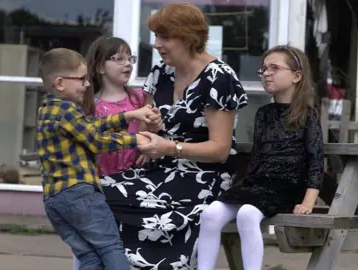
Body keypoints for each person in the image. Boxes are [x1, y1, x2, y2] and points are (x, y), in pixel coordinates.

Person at [98, 3, 248, 269]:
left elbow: (220, 149)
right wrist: (152, 129)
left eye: (165, 37)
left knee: (129, 200)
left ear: (189, 37)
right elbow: (146, 131)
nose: (157, 44)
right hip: (161, 169)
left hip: (204, 176)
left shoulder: (219, 78)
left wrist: (167, 147)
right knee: (94, 191)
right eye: (156, 37)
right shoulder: (161, 73)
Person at [197, 45, 325, 270]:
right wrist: (244, 187)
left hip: (287, 188)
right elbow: (257, 156)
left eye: (274, 68)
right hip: (258, 186)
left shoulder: (308, 116)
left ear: (297, 76)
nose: (266, 73)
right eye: (263, 69)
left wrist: (307, 202)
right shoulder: (263, 114)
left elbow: (316, 160)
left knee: (247, 214)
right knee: (210, 213)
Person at [36, 48, 157, 270]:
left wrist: (129, 116)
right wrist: (136, 140)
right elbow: (97, 141)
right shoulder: (67, 110)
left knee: (90, 258)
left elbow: (90, 127)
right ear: (60, 83)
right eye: (82, 79)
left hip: (55, 200)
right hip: (80, 194)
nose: (87, 84)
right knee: (111, 248)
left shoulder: (48, 109)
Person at [72, 36, 163, 270]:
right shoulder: (89, 105)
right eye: (119, 58)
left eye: (130, 58)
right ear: (100, 66)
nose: (128, 64)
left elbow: (157, 132)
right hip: (99, 186)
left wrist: (153, 143)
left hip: (135, 185)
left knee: (126, 250)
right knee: (91, 248)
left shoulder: (140, 99)